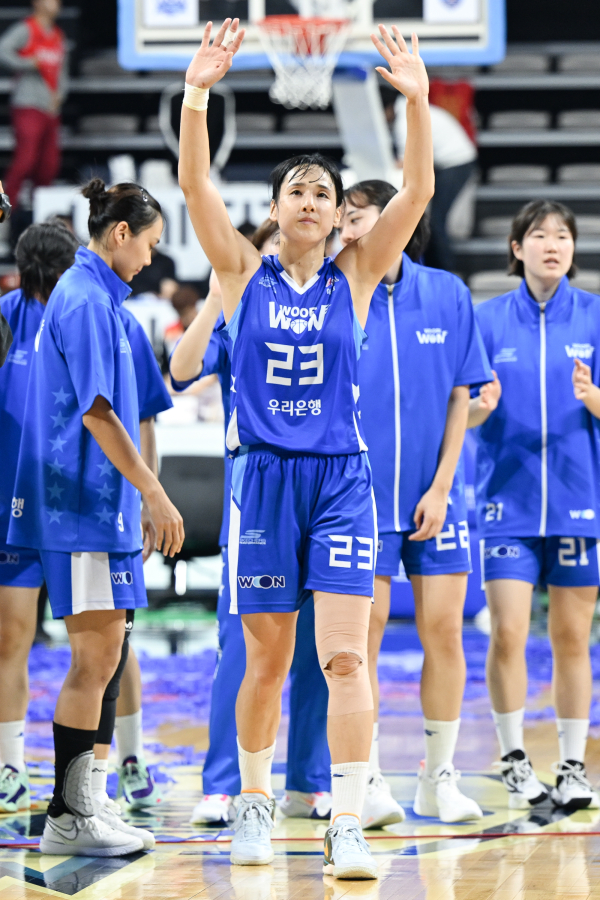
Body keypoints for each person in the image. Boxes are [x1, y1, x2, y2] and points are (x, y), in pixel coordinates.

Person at [178, 17, 433, 879]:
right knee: (266, 659)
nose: (315, 200)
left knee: (347, 656)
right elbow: (194, 183)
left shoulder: (356, 275)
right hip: (264, 480)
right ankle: (253, 804)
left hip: (340, 482)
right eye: (299, 190)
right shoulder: (238, 275)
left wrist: (417, 103)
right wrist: (198, 94)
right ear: (277, 209)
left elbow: (417, 191)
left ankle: (347, 821)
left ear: (336, 215)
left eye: (325, 191)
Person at [7, 179, 184, 856]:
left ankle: (87, 801)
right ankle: (68, 815)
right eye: (150, 243)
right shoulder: (83, 299)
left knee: (106, 658)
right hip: (78, 506)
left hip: (98, 509)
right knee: (93, 661)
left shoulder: (102, 299)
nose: (151, 258)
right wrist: (153, 492)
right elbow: (98, 414)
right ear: (120, 234)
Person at [340, 180, 492, 825]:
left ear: (399, 220)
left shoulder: (448, 293)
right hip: (359, 500)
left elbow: (463, 395)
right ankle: (369, 777)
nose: (348, 227)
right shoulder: (337, 293)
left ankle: (439, 779)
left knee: (445, 634)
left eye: (358, 216)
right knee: (364, 642)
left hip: (436, 499)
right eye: (343, 219)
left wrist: (442, 486)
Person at [171, 219, 332, 827]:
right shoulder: (238, 312)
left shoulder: (331, 309)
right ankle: (224, 783)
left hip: (322, 496)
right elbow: (181, 370)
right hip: (257, 503)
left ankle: (309, 782)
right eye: (259, 254)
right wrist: (218, 294)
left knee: (317, 648)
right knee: (241, 649)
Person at [469, 199, 600, 810]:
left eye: (563, 236)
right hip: (507, 506)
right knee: (508, 635)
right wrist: (480, 410)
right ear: (517, 249)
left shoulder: (595, 316)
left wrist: (593, 399)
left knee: (572, 637)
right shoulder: (487, 320)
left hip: (579, 502)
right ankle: (515, 758)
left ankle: (573, 765)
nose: (554, 245)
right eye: (541, 236)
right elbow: (461, 415)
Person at [392, 95, 476, 271]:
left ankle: (446, 271)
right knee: (431, 221)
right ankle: (434, 268)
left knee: (435, 222)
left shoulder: (404, 120)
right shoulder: (410, 110)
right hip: (450, 161)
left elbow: (405, 162)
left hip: (457, 162)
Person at [0, 0, 67, 211]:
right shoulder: (26, 29)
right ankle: (5, 213)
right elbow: (3, 50)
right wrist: (27, 63)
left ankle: (40, 213)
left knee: (48, 165)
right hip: (27, 104)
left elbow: (62, 71)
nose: (56, 4)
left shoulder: (57, 35)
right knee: (25, 160)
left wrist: (60, 95)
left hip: (50, 108)